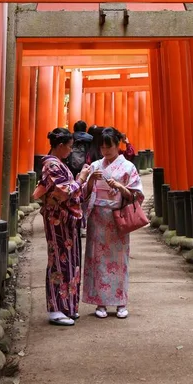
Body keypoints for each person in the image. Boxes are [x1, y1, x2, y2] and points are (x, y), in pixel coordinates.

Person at [34, 128, 98, 326]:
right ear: (60, 146)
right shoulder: (51, 165)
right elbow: (64, 192)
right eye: (69, 147)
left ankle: (68, 306)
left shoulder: (58, 164)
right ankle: (56, 308)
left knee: (70, 261)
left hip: (66, 221)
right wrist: (81, 178)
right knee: (59, 261)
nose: (71, 151)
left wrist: (85, 180)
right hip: (57, 220)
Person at [82, 127, 144, 320]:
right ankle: (100, 302)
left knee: (118, 261)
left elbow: (136, 194)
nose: (105, 151)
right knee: (98, 261)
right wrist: (91, 180)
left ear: (117, 145)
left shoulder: (128, 167)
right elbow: (84, 192)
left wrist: (121, 188)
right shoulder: (95, 166)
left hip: (117, 219)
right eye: (102, 148)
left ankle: (120, 302)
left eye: (109, 147)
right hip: (97, 218)